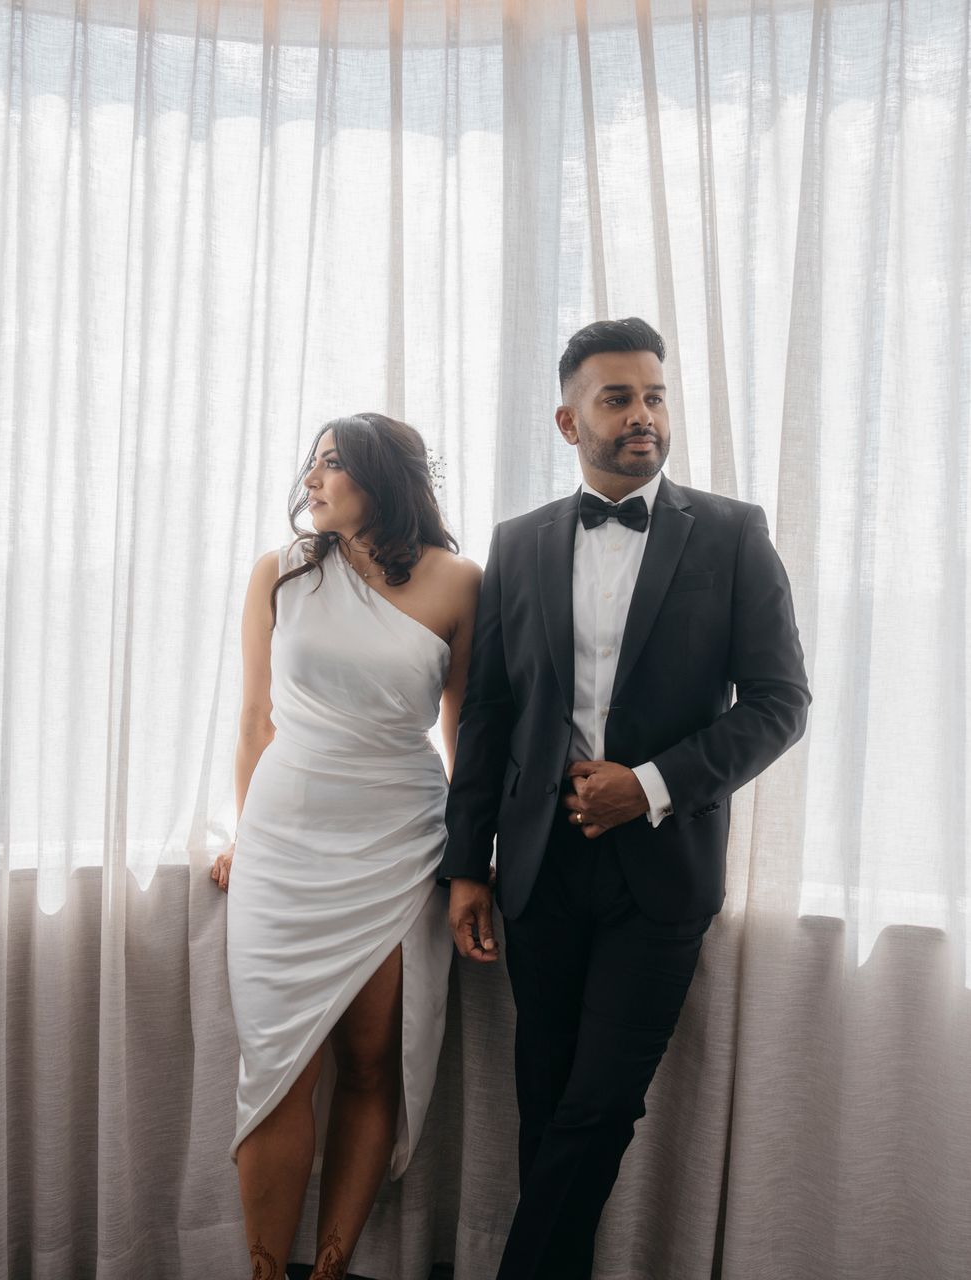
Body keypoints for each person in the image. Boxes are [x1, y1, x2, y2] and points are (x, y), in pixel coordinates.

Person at [440, 318, 811, 1279]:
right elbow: (487, 717)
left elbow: (780, 704)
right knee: (545, 1096)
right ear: (569, 422)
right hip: (538, 868)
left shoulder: (732, 534)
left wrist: (645, 787)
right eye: (618, 398)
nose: (643, 415)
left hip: (662, 869)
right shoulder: (516, 545)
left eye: (654, 395)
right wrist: (465, 868)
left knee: (601, 1105)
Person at [213, 412, 481, 1280]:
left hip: (396, 844)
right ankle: (262, 1268)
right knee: (277, 1063)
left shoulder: (459, 583)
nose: (312, 481)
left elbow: (464, 743)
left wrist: (471, 867)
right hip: (284, 845)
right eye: (312, 465)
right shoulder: (281, 572)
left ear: (382, 477)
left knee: (370, 1065)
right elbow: (254, 725)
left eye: (332, 465)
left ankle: (330, 1267)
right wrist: (244, 839)